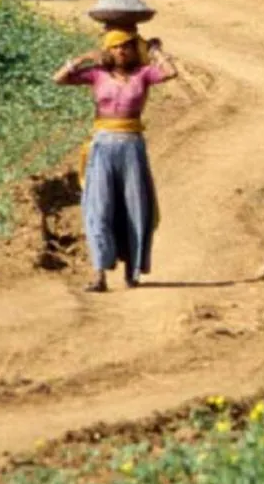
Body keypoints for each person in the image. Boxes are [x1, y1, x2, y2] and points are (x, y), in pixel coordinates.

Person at [54, 28, 178, 292]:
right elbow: (59, 79)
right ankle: (99, 274)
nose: (121, 51)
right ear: (107, 51)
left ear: (134, 50)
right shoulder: (97, 75)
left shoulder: (143, 75)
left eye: (126, 46)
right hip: (102, 146)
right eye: (115, 47)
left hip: (131, 146)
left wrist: (155, 50)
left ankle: (132, 273)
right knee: (98, 208)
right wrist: (83, 58)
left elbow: (169, 72)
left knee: (134, 208)